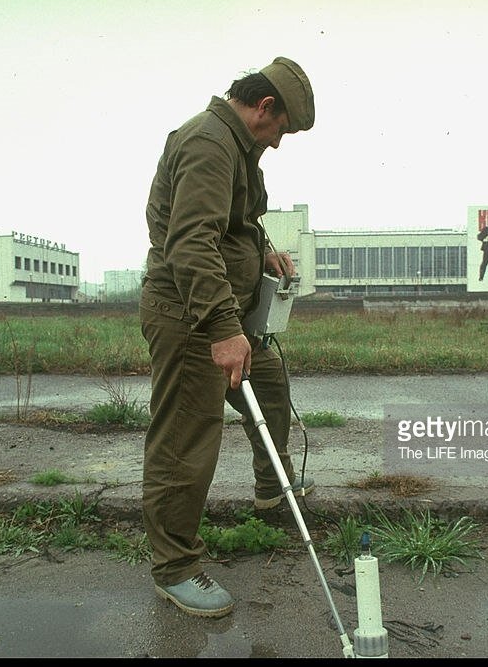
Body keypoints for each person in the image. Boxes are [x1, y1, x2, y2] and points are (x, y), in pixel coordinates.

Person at [138, 57, 316, 618]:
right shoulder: (210, 143)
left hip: (229, 315)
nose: (280, 143)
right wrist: (220, 328)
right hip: (190, 316)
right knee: (186, 440)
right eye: (282, 129)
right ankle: (175, 567)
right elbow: (189, 242)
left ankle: (271, 495)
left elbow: (230, 225)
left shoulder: (240, 148)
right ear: (263, 107)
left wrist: (261, 252)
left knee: (270, 387)